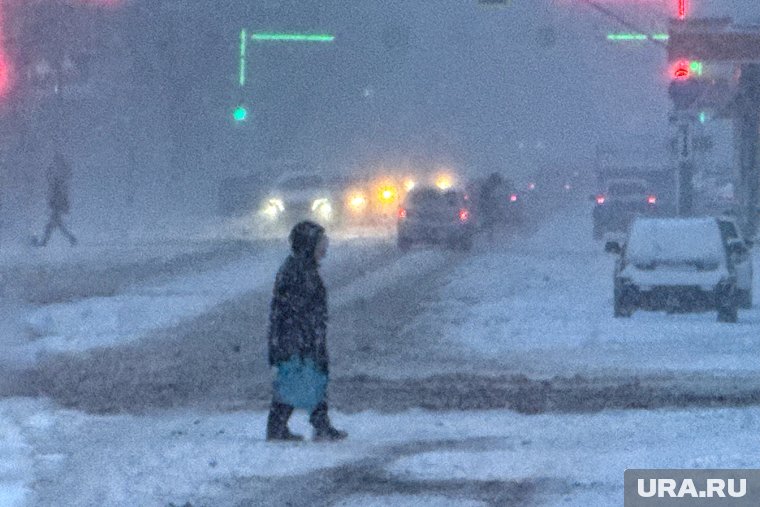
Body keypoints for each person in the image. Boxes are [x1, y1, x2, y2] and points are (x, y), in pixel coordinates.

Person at [266, 220, 347, 442]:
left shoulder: (302, 269)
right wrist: (305, 338)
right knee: (298, 379)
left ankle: (314, 424)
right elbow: (292, 310)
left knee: (310, 378)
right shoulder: (298, 272)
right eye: (321, 243)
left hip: (301, 337)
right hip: (297, 339)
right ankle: (282, 426)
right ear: (308, 245)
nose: (325, 248)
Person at [36, 153, 77, 247]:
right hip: (57, 208)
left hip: (57, 208)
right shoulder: (59, 187)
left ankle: (44, 242)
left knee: (52, 226)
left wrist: (55, 205)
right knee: (58, 225)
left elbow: (58, 197)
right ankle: (71, 239)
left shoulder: (58, 188)